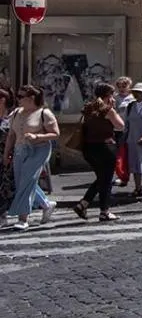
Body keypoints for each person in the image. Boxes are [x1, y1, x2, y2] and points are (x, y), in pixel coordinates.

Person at [2, 86, 60, 230]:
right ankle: (46, 204)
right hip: (20, 150)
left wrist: (37, 136)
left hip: (39, 149)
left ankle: (23, 218)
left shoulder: (44, 113)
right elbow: (11, 136)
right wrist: (6, 154)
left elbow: (55, 134)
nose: (17, 99)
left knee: (27, 180)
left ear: (31, 98)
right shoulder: (16, 113)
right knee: (24, 180)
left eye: (21, 96)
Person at [74, 82, 125, 221]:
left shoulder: (89, 108)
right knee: (106, 180)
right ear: (109, 96)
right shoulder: (107, 110)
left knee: (101, 178)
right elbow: (120, 125)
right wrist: (113, 109)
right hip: (105, 147)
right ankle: (104, 211)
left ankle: (83, 204)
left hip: (89, 148)